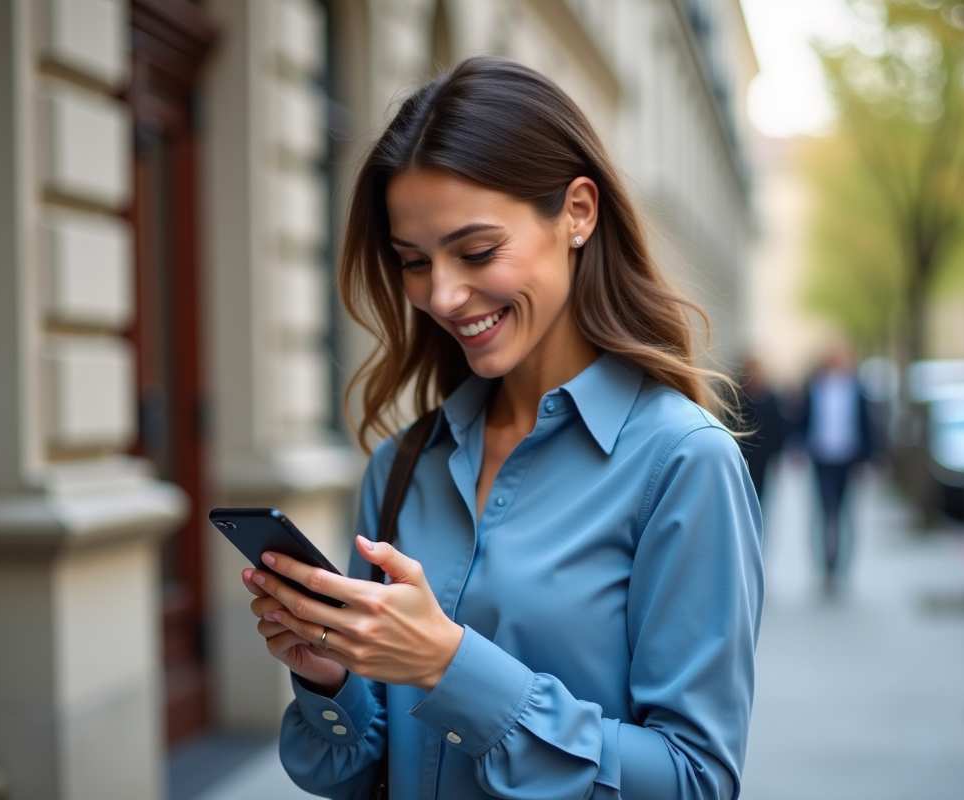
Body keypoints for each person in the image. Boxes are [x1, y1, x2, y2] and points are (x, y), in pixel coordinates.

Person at [240, 56, 764, 800]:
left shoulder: (683, 463)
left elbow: (693, 780)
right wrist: (328, 675)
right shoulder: (401, 467)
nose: (444, 295)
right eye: (414, 262)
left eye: (477, 251)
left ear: (578, 212)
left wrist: (450, 669)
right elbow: (351, 771)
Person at [798, 345, 875, 592]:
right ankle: (825, 568)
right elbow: (803, 419)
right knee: (824, 512)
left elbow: (868, 424)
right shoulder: (814, 388)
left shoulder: (857, 389)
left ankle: (842, 568)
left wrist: (868, 458)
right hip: (821, 458)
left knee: (845, 514)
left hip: (848, 458)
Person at [736, 356, 789, 503]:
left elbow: (778, 426)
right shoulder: (738, 395)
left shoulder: (770, 397)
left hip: (764, 452)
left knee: (760, 492)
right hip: (743, 451)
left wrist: (778, 453)